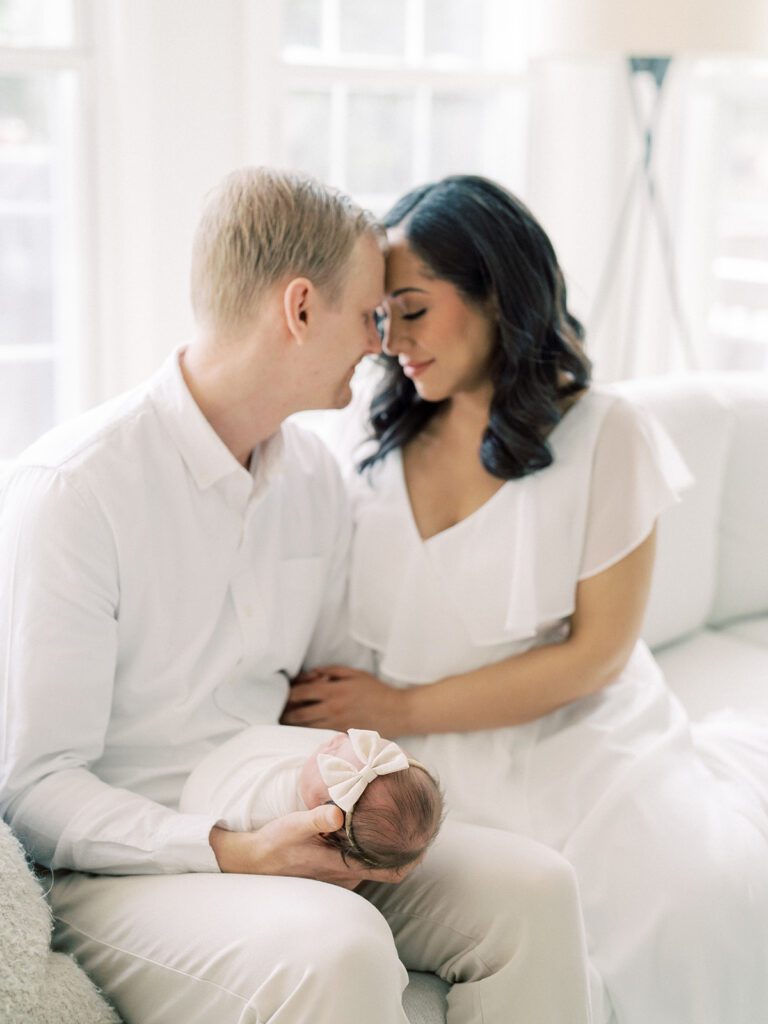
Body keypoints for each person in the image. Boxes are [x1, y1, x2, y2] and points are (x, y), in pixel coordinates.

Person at [0, 167, 599, 1024]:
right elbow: (32, 788)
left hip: (277, 811)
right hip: (119, 871)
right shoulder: (75, 490)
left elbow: (317, 691)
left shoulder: (315, 478)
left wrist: (342, 800)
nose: (382, 341)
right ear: (300, 309)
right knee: (339, 951)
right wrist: (233, 850)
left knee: (538, 890)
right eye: (370, 314)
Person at [282, 174, 768, 1024]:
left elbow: (597, 656)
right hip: (414, 749)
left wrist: (401, 703)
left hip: (569, 732)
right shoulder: (364, 432)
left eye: (414, 309)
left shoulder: (607, 433)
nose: (392, 339)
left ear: (497, 292)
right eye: (381, 316)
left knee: (683, 905)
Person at [180, 724, 444, 870]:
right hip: (208, 786)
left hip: (204, 814)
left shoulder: (285, 820)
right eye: (344, 741)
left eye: (334, 753)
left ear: (324, 823)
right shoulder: (323, 788)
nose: (334, 739)